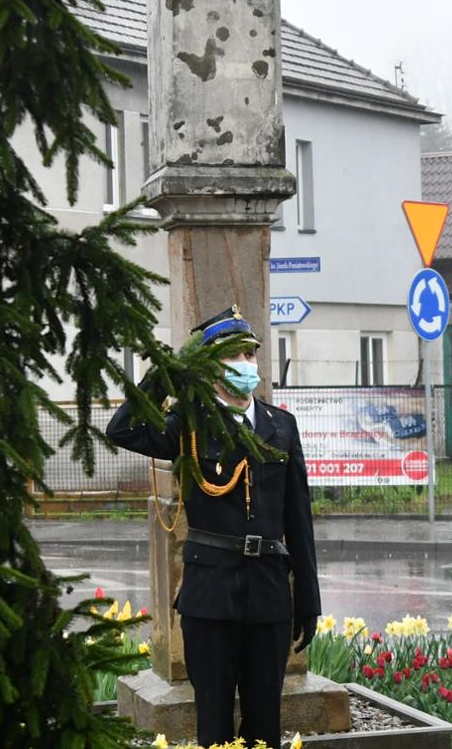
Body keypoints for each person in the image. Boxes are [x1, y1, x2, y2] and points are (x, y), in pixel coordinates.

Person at [106, 307, 320, 747]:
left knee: (265, 726)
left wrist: (308, 601)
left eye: (250, 354)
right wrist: (167, 377)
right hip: (211, 594)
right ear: (211, 366)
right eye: (235, 356)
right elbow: (122, 429)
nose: (247, 365)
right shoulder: (189, 423)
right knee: (214, 727)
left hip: (269, 594)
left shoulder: (282, 426)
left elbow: (299, 517)